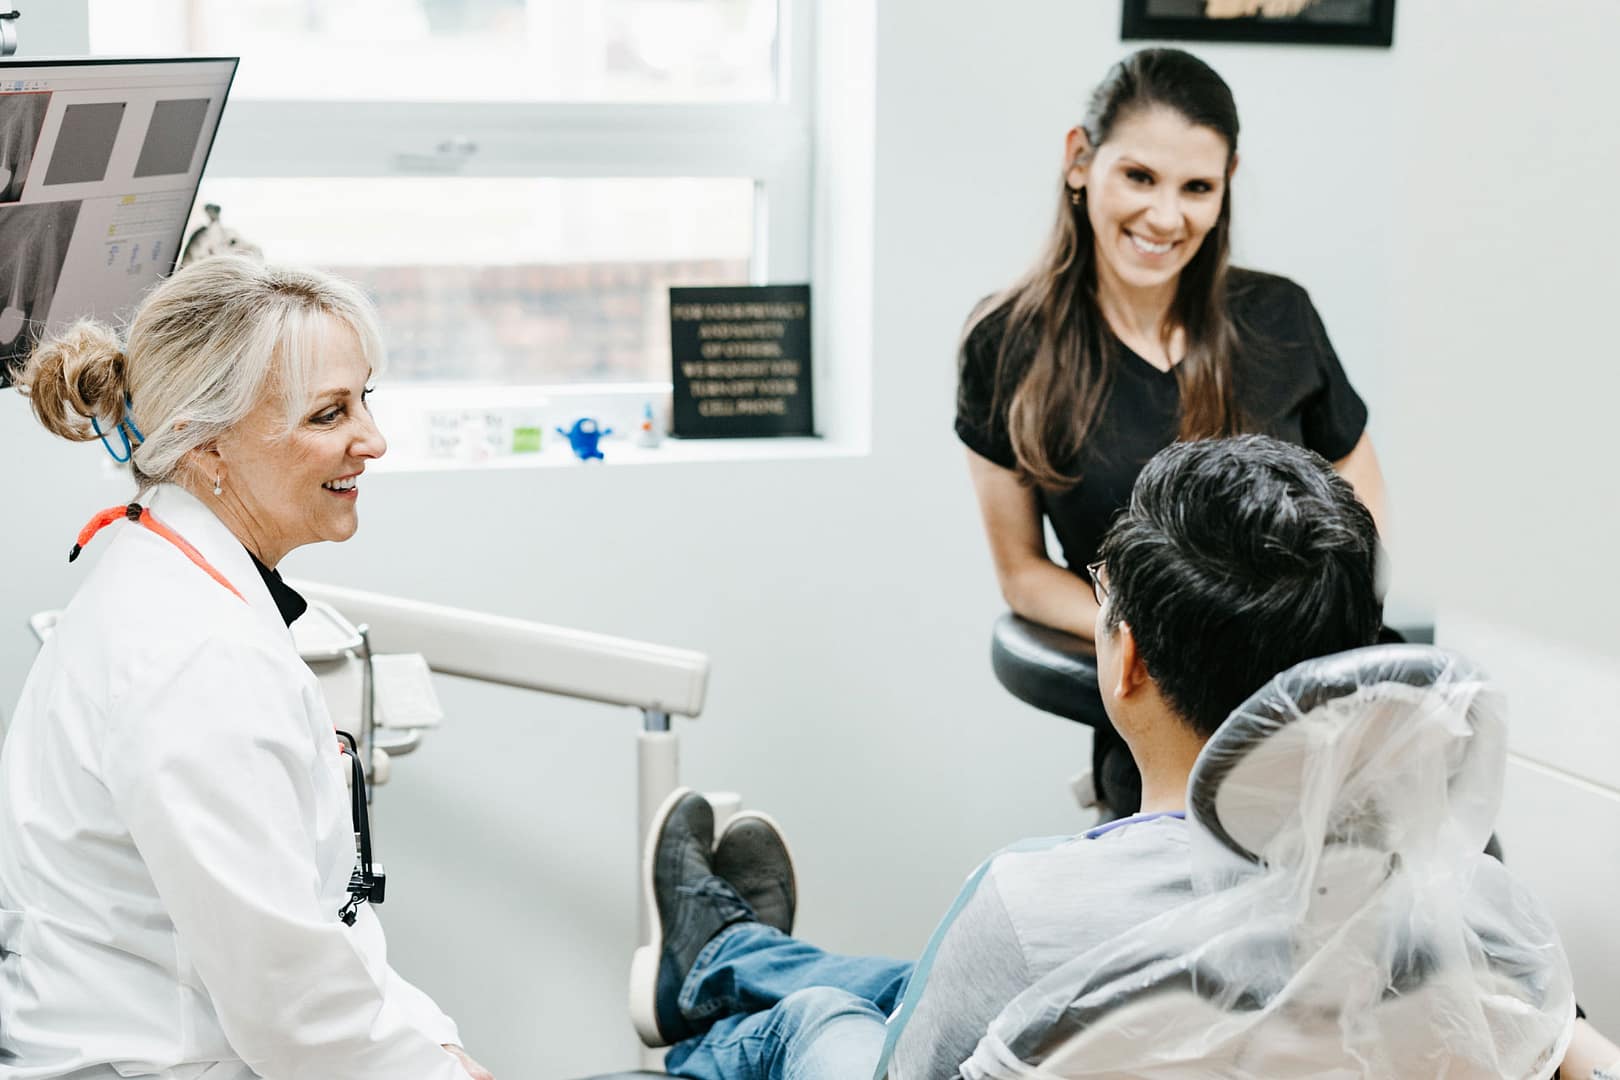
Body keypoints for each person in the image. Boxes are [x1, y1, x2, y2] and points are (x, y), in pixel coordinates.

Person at [632, 435, 1610, 1079]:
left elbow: (912, 1063)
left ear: (1127, 659)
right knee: (922, 975)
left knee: (816, 1024)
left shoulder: (1029, 909)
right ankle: (724, 955)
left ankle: (717, 1015)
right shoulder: (1463, 907)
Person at [0, 257, 493, 1079]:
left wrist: (434, 1042)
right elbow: (294, 1014)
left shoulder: (173, 571)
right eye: (328, 413)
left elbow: (319, 945)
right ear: (209, 448)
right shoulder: (194, 659)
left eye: (364, 398)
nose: (371, 440)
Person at [957, 48, 1388, 816]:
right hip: (1162, 726)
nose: (1166, 217)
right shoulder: (1005, 345)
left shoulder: (1281, 317)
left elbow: (1364, 511)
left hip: (1322, 711)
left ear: (1226, 188)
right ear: (1080, 160)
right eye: (1141, 177)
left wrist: (1302, 640)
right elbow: (1021, 573)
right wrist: (1180, 635)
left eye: (1198, 188)